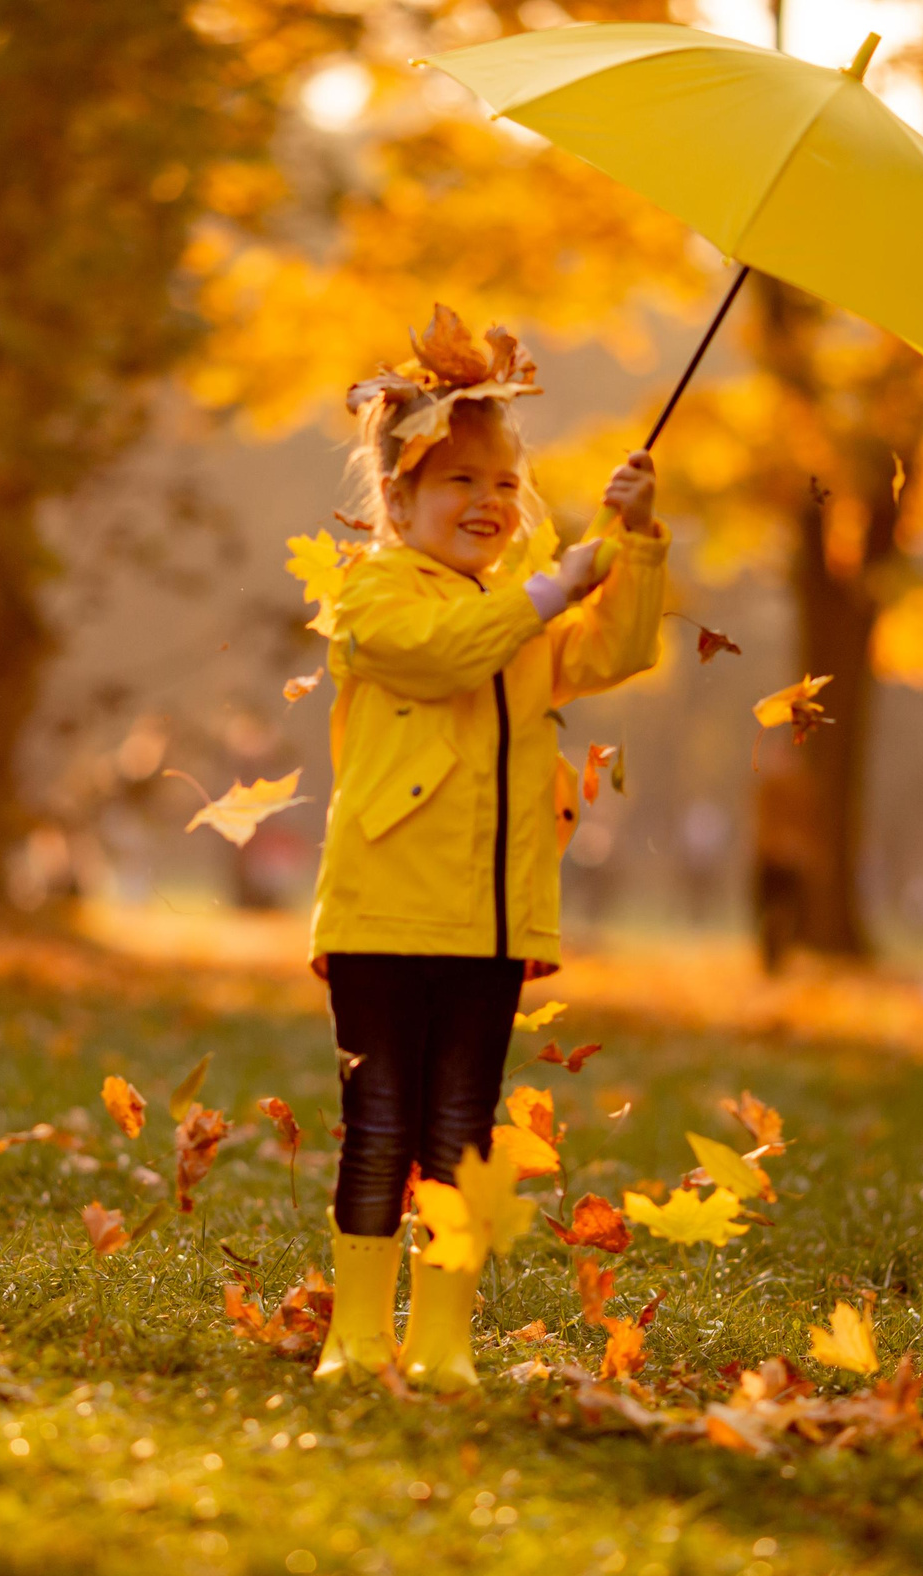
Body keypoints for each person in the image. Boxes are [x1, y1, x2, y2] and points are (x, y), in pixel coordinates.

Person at [307, 309, 669, 1390]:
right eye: (458, 481)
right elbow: (444, 655)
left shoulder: (521, 615)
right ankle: (356, 1334)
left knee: (461, 1128)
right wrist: (554, 583)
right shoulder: (370, 597)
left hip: (494, 917)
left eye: (503, 483)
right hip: (383, 909)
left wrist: (632, 545)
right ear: (399, 500)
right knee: (379, 1118)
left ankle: (442, 1339)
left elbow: (616, 649)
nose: (487, 502)